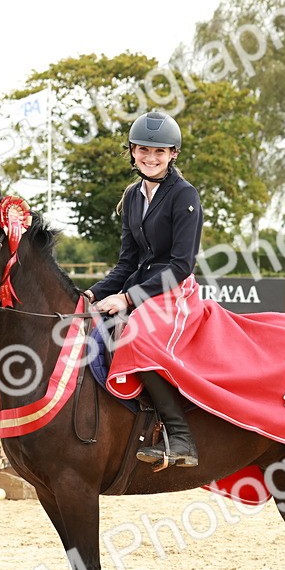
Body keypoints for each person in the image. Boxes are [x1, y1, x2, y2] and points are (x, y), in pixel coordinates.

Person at [85, 110, 202, 467]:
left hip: (174, 290)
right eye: (143, 151)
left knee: (137, 337)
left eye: (159, 152)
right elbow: (126, 262)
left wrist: (126, 298)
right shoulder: (133, 196)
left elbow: (181, 265)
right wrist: (93, 293)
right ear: (132, 152)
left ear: (173, 155)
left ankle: (181, 437)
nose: (150, 158)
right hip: (138, 285)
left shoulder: (185, 195)